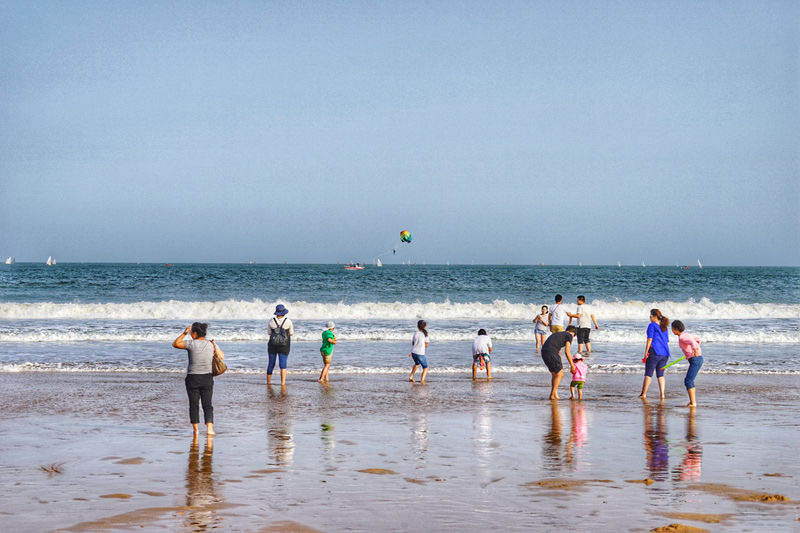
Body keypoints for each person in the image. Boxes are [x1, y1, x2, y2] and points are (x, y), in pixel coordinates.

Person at [172, 322, 224, 436]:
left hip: (192, 378)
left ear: (195, 333)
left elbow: (175, 344)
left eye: (191, 333)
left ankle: (196, 430)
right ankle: (210, 429)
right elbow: (221, 356)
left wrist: (184, 333)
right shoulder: (211, 344)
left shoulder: (191, 344)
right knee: (207, 404)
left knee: (194, 404)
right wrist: (214, 349)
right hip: (207, 378)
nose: (190, 334)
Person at [540, 325, 577, 400]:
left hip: (544, 351)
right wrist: (572, 365)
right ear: (573, 333)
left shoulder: (559, 334)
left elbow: (557, 346)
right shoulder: (569, 336)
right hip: (551, 352)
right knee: (560, 374)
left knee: (555, 374)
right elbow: (567, 351)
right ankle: (552, 395)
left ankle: (555, 394)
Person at [671, 320, 703, 407]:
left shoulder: (682, 337)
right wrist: (689, 353)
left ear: (676, 329)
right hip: (696, 358)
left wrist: (695, 350)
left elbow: (692, 342)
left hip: (695, 359)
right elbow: (696, 339)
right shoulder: (686, 335)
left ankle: (693, 403)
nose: (672, 330)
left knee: (688, 381)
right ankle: (692, 402)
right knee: (689, 380)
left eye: (672, 329)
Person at [640, 308, 670, 400]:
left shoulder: (652, 325)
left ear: (654, 317)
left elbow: (649, 339)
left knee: (648, 373)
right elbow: (666, 341)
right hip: (665, 353)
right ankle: (662, 395)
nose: (650, 318)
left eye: (650, 316)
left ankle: (643, 394)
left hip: (654, 352)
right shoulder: (664, 326)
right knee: (660, 374)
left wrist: (646, 353)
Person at [267, 304, 294, 386]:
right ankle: (283, 383)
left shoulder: (271, 321)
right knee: (283, 364)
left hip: (272, 345)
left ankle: (268, 383)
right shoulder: (288, 321)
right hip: (284, 346)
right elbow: (291, 333)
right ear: (284, 313)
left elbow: (269, 333)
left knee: (271, 364)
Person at [408, 320, 430, 384]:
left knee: (417, 364)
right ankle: (422, 380)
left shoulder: (415, 333)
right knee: (425, 367)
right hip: (420, 353)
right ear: (425, 326)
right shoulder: (426, 335)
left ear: (417, 326)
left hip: (414, 352)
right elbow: (426, 345)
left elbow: (413, 343)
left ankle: (411, 376)